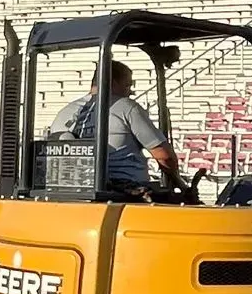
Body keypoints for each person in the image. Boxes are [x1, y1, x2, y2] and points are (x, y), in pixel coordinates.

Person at [44, 57, 183, 196]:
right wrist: (178, 181)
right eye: (127, 85)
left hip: (77, 191)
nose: (130, 91)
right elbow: (164, 156)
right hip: (127, 192)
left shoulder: (63, 113)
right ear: (112, 82)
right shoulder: (126, 107)